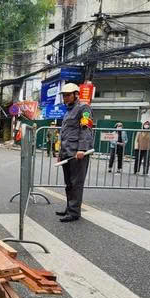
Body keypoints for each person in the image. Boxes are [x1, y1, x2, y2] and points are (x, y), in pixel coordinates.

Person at [55, 83, 94, 222]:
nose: (65, 98)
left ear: (76, 94)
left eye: (68, 95)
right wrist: (60, 153)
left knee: (76, 184)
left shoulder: (83, 108)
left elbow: (86, 129)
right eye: (64, 95)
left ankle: (74, 212)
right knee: (69, 184)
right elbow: (64, 134)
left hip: (78, 153)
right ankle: (69, 208)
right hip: (67, 152)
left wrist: (82, 149)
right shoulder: (67, 111)